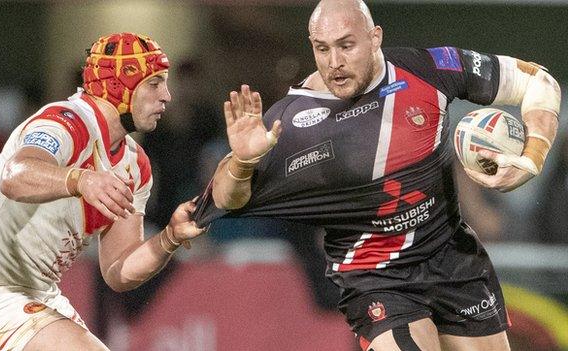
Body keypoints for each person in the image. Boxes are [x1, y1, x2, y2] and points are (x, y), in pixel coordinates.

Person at [194, 1, 561, 350]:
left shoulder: (426, 68)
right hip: (375, 276)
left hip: (453, 261)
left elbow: (538, 82)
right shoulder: (289, 120)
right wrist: (242, 163)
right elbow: (226, 199)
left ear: (375, 38)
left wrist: (533, 156)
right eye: (322, 49)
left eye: (346, 45)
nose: (334, 62)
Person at [0, 32, 205, 351]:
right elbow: (14, 175)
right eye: (154, 83)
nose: (167, 95)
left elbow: (118, 271)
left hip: (38, 296)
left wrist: (169, 239)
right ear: (119, 84)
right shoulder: (66, 121)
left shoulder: (135, 165)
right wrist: (80, 180)